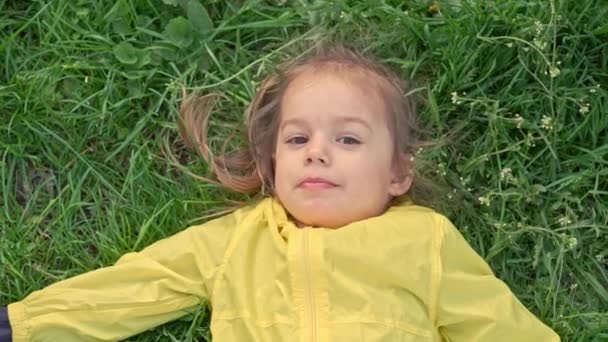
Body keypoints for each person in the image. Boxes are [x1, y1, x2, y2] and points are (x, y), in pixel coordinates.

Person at [0, 44, 560, 341]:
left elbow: (494, 323)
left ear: (397, 174)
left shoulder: (425, 240)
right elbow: (140, 285)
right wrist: (24, 326)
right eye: (298, 138)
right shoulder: (237, 241)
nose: (317, 151)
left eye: (347, 138)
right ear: (274, 162)